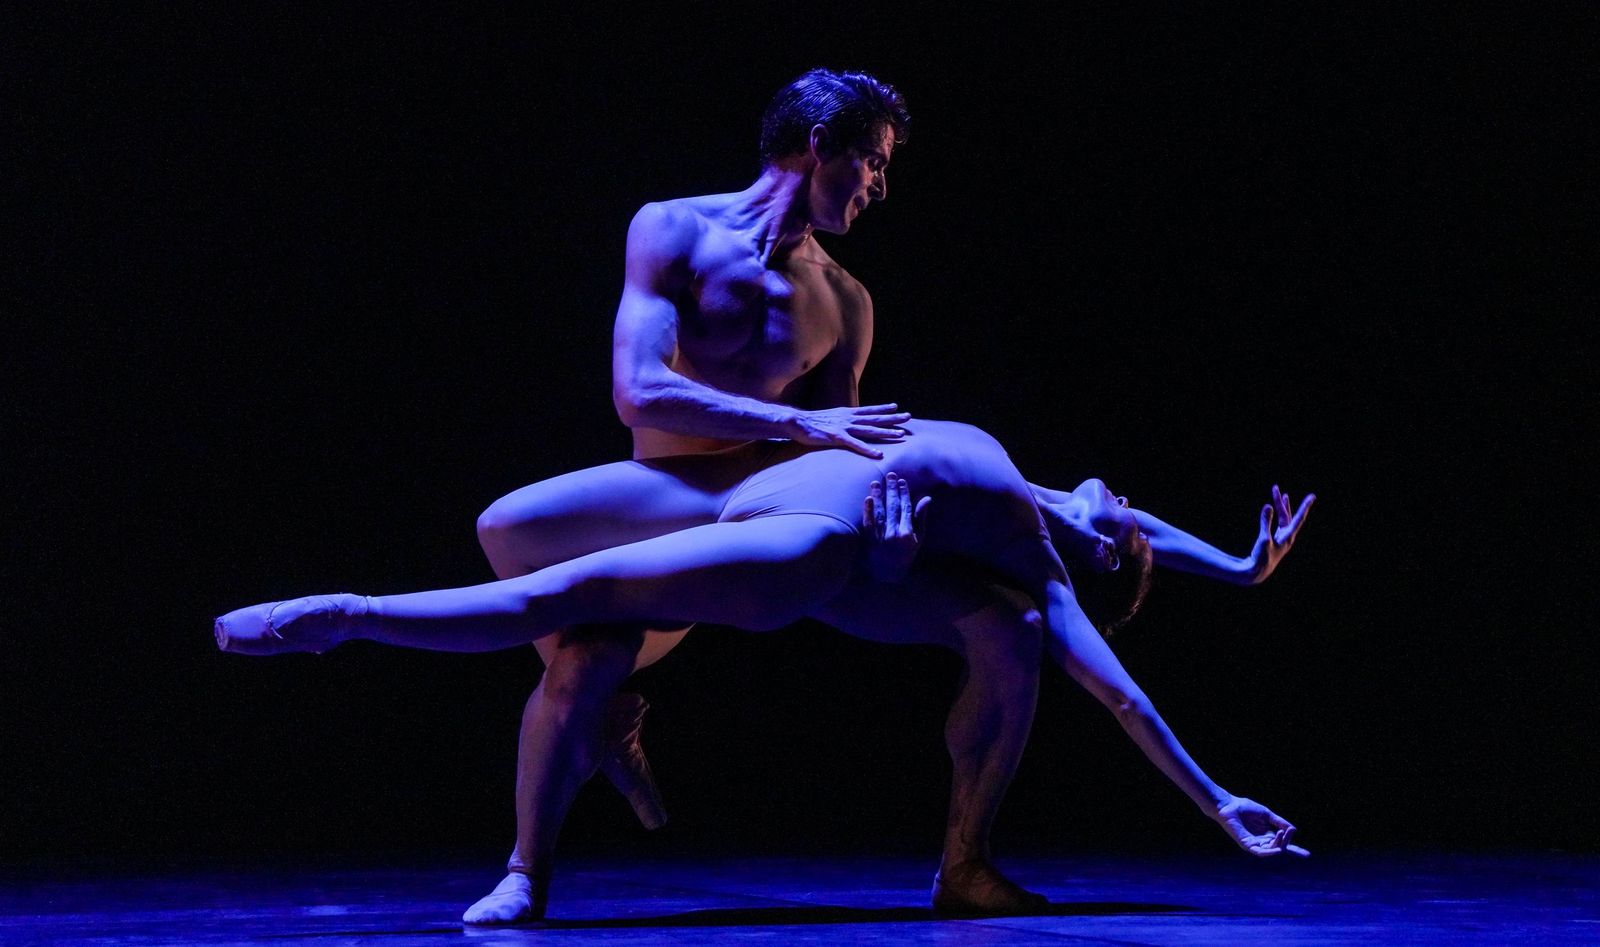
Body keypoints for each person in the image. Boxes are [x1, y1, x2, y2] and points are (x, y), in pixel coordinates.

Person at [214, 418, 1312, 910]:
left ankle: (351, 614)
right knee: (532, 549)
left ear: (1100, 544)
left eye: (1120, 515)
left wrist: (1216, 802)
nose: (1123, 493)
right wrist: (1246, 568)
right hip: (761, 481)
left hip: (810, 543)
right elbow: (1150, 537)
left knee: (572, 599)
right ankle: (607, 720)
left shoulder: (1049, 569)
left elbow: (1118, 689)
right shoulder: (1047, 509)